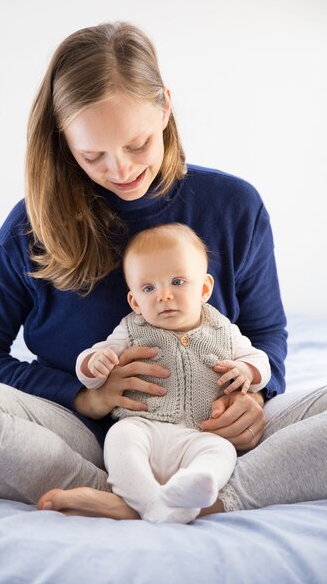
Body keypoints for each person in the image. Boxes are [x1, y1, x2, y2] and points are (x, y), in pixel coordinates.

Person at [0, 21, 327, 520]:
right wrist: (82, 397)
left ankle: (196, 498)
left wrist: (257, 396)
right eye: (92, 155)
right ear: (63, 141)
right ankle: (127, 489)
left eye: (136, 145)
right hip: (89, 437)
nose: (121, 170)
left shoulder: (234, 206)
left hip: (215, 437)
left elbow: (267, 333)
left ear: (164, 106)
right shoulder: (33, 225)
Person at [75, 223, 270, 523]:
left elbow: (260, 362)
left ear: (204, 288)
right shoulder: (130, 329)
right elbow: (91, 370)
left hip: (200, 433)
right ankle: (150, 501)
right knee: (119, 438)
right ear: (135, 302)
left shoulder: (223, 330)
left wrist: (246, 370)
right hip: (144, 428)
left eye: (177, 282)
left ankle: (192, 487)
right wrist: (94, 363)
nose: (164, 296)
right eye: (149, 288)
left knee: (222, 452)